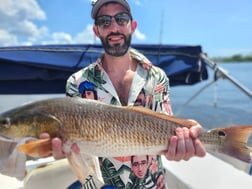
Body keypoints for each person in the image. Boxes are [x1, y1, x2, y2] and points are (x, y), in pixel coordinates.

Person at [40, 0, 206, 188]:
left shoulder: (157, 76)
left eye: (121, 19)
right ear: (96, 31)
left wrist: (183, 139)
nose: (114, 27)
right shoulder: (76, 83)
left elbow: (167, 128)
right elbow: (75, 149)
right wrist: (59, 146)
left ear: (132, 26)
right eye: (104, 21)